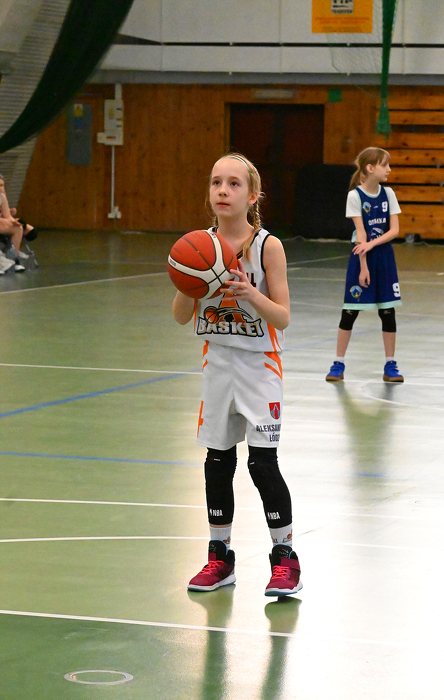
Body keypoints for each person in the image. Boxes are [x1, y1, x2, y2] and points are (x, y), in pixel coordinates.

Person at [172, 153, 302, 597]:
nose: (222, 191)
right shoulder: (198, 246)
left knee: (262, 464)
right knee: (217, 463)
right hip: (218, 364)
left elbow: (283, 317)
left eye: (233, 183)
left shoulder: (268, 247)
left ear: (252, 196)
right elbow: (180, 316)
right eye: (216, 183)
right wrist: (189, 281)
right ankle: (220, 557)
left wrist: (250, 293)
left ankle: (285, 558)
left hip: (259, 366)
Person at [326, 147, 404, 383]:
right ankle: (338, 363)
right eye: (384, 165)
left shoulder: (388, 194)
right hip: (362, 257)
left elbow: (394, 230)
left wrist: (372, 244)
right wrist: (363, 266)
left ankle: (390, 364)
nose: (389, 169)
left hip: (384, 258)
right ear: (370, 168)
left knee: (388, 312)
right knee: (349, 312)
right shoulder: (355, 196)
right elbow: (360, 234)